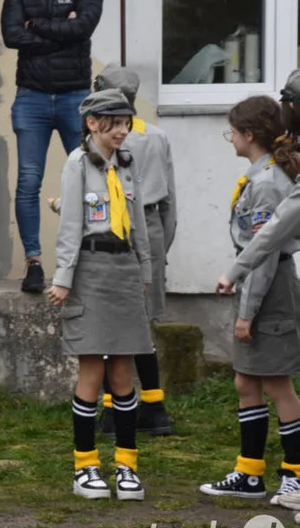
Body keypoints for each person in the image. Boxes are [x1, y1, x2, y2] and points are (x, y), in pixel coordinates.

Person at [46, 89, 152, 501]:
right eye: (116, 124)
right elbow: (71, 225)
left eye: (127, 123)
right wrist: (63, 278)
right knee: (91, 371)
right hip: (89, 270)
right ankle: (85, 466)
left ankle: (127, 466)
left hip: (123, 270)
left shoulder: (127, 164)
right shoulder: (77, 165)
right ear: (93, 124)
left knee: (124, 372)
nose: (124, 131)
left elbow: (138, 221)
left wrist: (144, 269)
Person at [199, 96, 300, 504]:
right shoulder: (261, 177)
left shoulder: (267, 184)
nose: (230, 140)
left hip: (269, 289)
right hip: (259, 287)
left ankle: (294, 475)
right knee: (246, 381)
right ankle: (250, 472)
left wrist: (247, 313)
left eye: (233, 133)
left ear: (249, 135)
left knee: (278, 385)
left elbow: (264, 253)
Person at [1, 0, 103, 294]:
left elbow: (83, 28)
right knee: (28, 182)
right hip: (31, 97)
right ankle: (34, 263)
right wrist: (61, 27)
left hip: (76, 95)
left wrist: (37, 25)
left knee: (91, 177)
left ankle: (87, 258)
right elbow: (12, 36)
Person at [91, 65, 175, 438]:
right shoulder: (156, 136)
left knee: (113, 321)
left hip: (114, 230)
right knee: (142, 324)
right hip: (153, 227)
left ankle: (113, 410)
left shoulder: (103, 138)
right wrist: (160, 248)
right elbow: (170, 200)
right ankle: (155, 407)